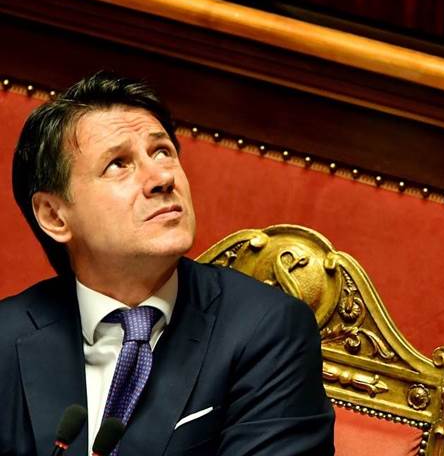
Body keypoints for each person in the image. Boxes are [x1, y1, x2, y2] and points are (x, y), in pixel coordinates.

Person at [0, 72, 335, 455]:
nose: (161, 178)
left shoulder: (266, 332)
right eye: (118, 164)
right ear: (55, 216)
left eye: (162, 152)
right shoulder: (7, 339)